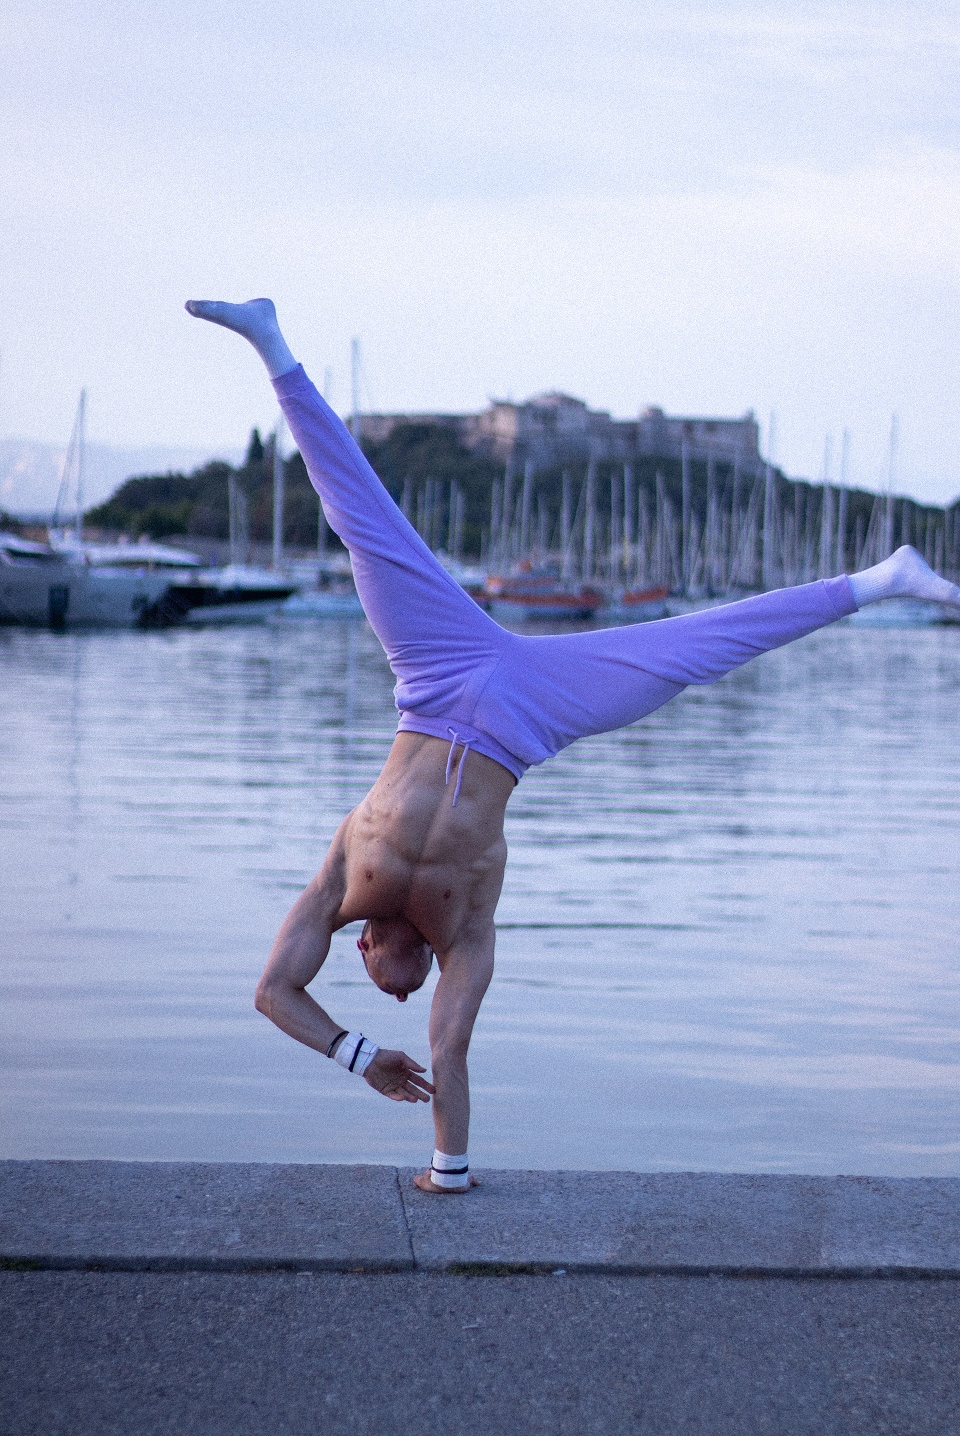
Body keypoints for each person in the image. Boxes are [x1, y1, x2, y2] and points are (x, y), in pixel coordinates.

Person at [186, 298, 960, 1194]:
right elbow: (450, 1049)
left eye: (381, 990)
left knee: (363, 521)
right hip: (528, 718)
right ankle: (882, 580)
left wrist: (352, 1049)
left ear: (361, 953)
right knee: (694, 649)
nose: (396, 993)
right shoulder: (465, 931)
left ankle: (273, 342)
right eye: (400, 996)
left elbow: (273, 992)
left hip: (434, 679)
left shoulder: (339, 881)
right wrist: (439, 1159)